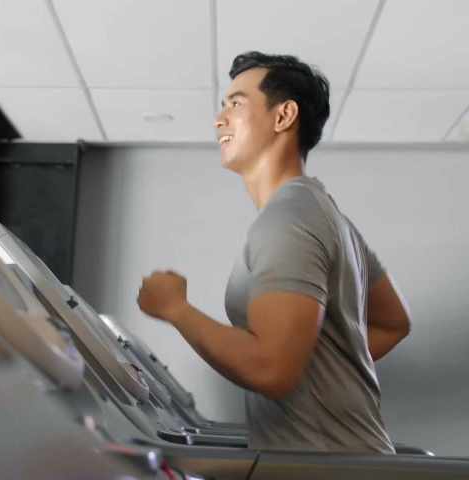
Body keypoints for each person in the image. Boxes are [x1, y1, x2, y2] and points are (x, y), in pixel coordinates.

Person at [136, 51, 411, 453]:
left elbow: (270, 370)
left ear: (283, 117)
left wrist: (176, 308)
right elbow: (393, 324)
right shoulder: (324, 213)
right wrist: (312, 354)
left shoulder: (290, 218)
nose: (218, 119)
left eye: (235, 104)